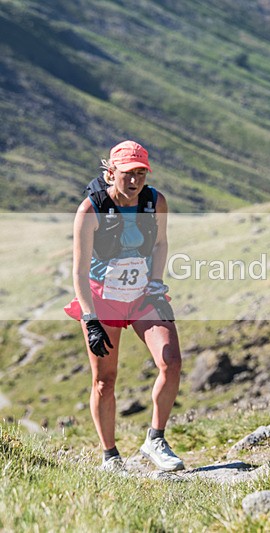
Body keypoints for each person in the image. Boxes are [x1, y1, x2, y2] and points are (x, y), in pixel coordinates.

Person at [64, 140, 184, 472]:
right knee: (105, 379)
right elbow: (79, 270)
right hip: (103, 300)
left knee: (171, 361)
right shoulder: (91, 209)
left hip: (143, 295)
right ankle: (110, 457)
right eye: (127, 174)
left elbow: (160, 244)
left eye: (141, 174)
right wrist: (89, 319)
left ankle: (155, 439)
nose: (134, 181)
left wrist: (157, 286)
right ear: (111, 172)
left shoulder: (155, 201)